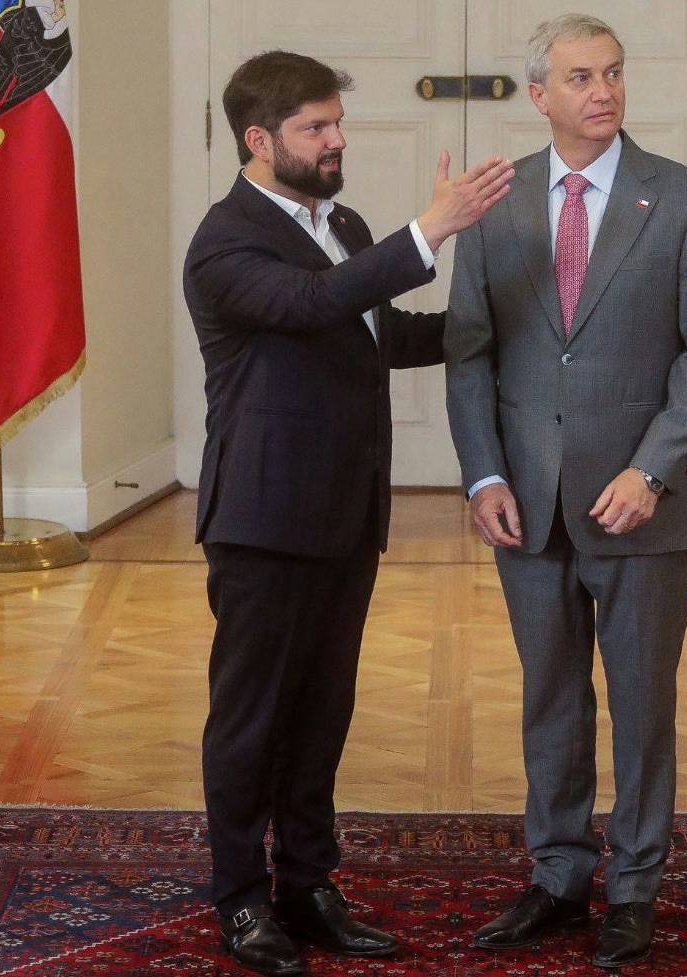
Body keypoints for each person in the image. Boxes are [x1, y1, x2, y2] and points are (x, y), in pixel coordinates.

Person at [183, 50, 513, 977]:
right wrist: (431, 228)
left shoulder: (345, 225)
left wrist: (504, 328)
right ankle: (241, 900)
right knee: (251, 719)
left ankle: (307, 884)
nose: (336, 141)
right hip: (262, 518)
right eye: (315, 128)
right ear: (260, 140)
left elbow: (375, 331)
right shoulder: (225, 241)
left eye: (337, 123)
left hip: (344, 512)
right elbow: (313, 301)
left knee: (322, 711)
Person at [445, 14, 687, 970]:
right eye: (578, 77)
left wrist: (650, 471)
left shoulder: (685, 199)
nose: (602, 90)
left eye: (611, 72)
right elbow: (469, 354)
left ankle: (635, 886)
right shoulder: (495, 204)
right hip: (525, 505)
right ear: (538, 95)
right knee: (551, 698)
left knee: (642, 703)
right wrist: (484, 472)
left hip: (643, 503)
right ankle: (559, 873)